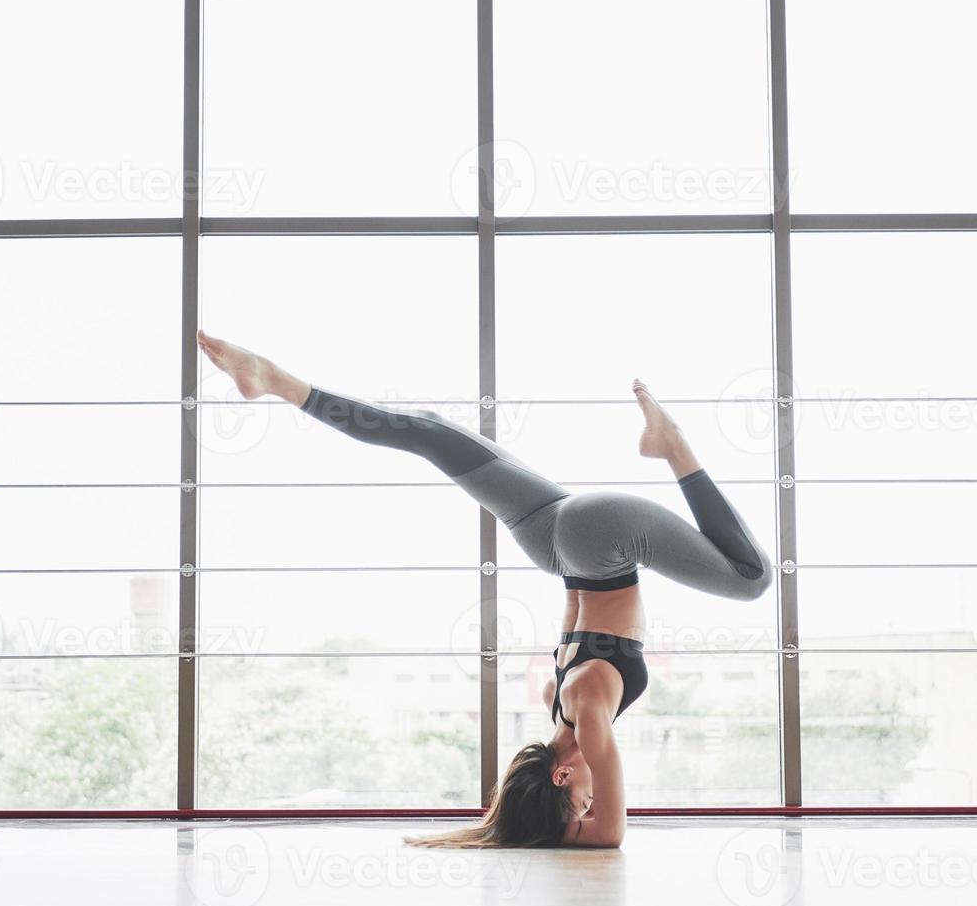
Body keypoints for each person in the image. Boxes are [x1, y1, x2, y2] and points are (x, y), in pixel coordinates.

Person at [197, 330, 773, 848]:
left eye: (578, 805)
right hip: (550, 541)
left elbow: (610, 835)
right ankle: (274, 380)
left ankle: (670, 443)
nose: (590, 806)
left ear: (560, 775)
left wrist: (562, 833)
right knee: (432, 434)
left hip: (601, 539)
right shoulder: (561, 704)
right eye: (581, 812)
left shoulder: (588, 713)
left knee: (750, 580)